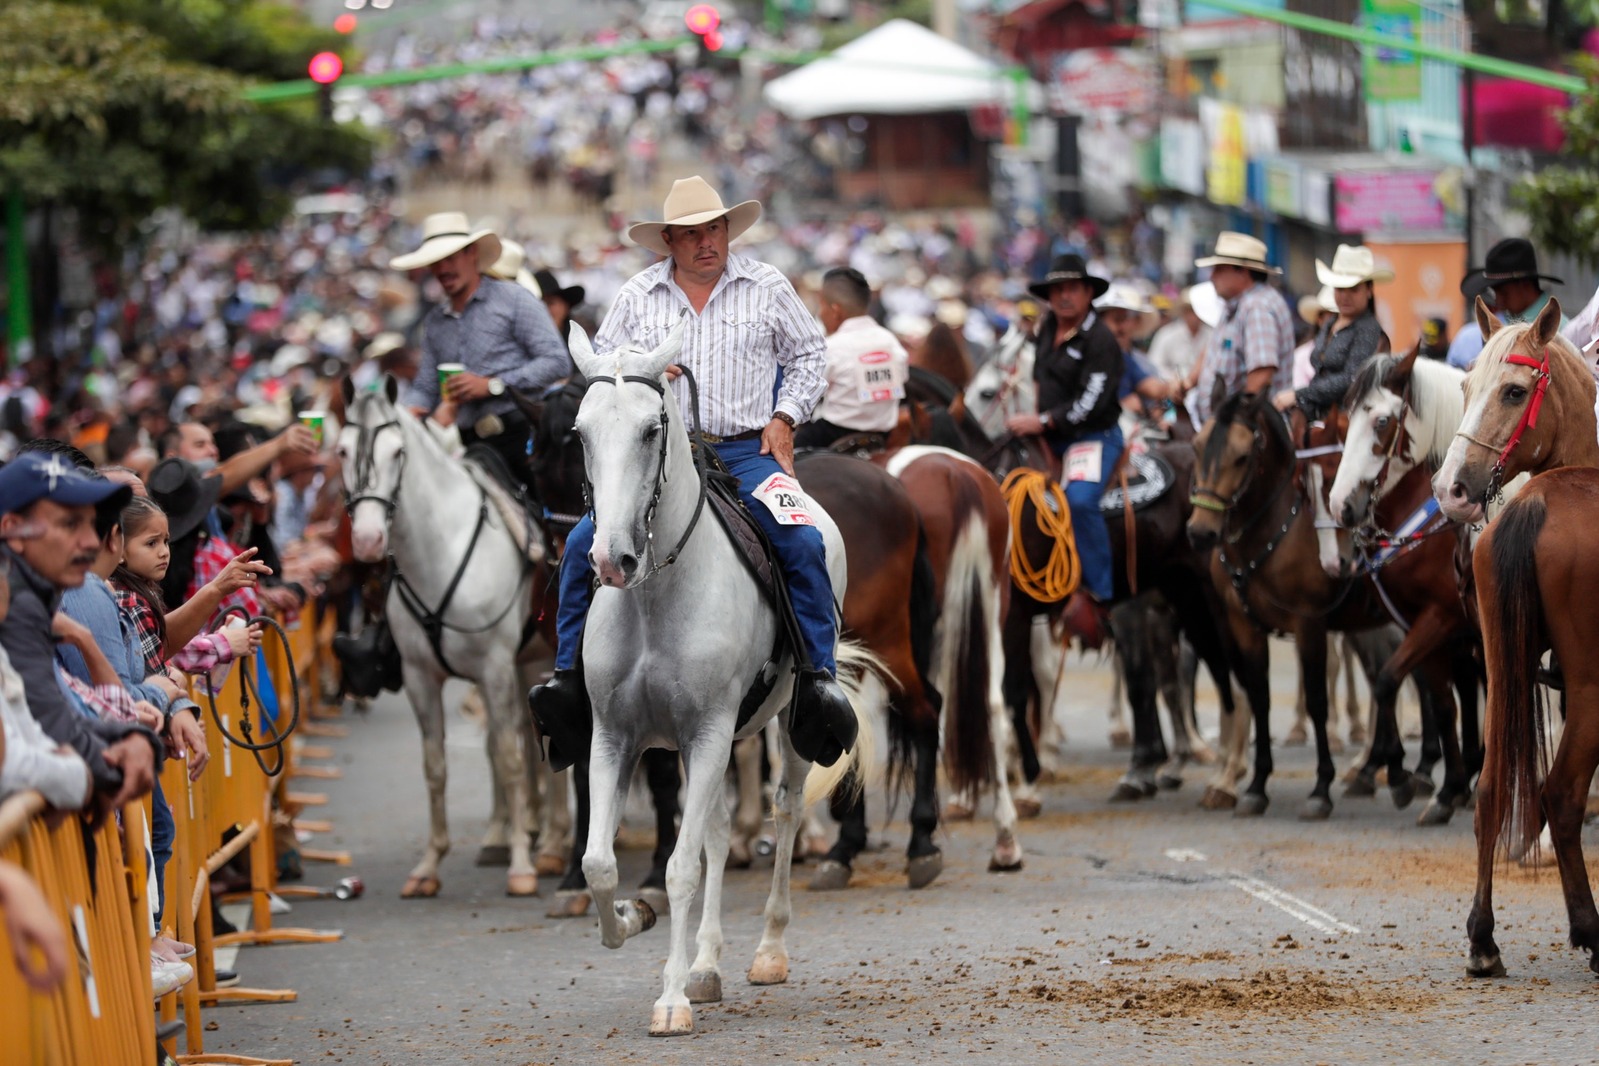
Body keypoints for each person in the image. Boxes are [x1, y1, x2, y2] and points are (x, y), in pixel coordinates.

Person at [528, 175, 856, 771]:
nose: (707, 242)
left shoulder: (767, 286)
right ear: (669, 242)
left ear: (727, 232)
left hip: (744, 451)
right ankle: (569, 682)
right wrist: (643, 373)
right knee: (581, 545)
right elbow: (606, 373)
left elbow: (809, 354)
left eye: (715, 230)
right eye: (692, 234)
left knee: (802, 540)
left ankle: (817, 680)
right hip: (658, 458)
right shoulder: (637, 295)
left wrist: (785, 417)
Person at [0, 452, 161, 826]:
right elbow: (47, 734)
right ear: (12, 529)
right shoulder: (18, 607)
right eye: (70, 525)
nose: (91, 542)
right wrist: (96, 775)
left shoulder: (34, 601)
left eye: (92, 525)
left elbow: (58, 715)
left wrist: (134, 737)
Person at [395, 212, 571, 490]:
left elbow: (557, 362)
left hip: (523, 437)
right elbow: (426, 386)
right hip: (468, 444)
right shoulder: (435, 323)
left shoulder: (514, 299)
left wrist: (493, 385)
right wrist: (408, 412)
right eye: (436, 263)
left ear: (472, 254)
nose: (443, 270)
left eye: (450, 259)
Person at [1004, 253, 1123, 632]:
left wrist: (1039, 421)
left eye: (1072, 288)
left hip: (1092, 437)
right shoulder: (1047, 326)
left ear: (1089, 292)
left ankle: (1101, 595)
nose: (1064, 296)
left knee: (1080, 501)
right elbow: (1039, 380)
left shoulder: (1102, 340)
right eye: (1057, 289)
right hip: (1049, 435)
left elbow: (1090, 403)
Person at [795, 267, 909, 449]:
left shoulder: (833, 347)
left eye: (822, 306)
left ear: (835, 310)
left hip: (831, 435)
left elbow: (807, 395)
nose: (820, 314)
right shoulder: (891, 342)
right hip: (883, 437)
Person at [1188, 232, 1295, 424]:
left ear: (1242, 271)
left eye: (1220, 269)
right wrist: (1188, 382)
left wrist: (1238, 419)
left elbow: (1261, 373)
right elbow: (1214, 350)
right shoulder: (1239, 305)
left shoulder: (1257, 308)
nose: (1212, 277)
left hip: (1247, 431)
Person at [1274, 245, 1392, 419]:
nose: (1345, 296)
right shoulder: (1331, 323)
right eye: (1340, 289)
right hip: (1318, 411)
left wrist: (1299, 394)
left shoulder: (1368, 329)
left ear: (1368, 291)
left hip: (1347, 418)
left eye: (1353, 289)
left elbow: (1351, 378)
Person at [1447, 237, 1568, 370]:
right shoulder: (1505, 323)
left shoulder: (1561, 332)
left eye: (1503, 292)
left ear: (1524, 284)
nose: (1498, 301)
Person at [1145, 288, 1212, 395]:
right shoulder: (1167, 334)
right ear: (1184, 312)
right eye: (1190, 310)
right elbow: (1155, 365)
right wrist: (1174, 379)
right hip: (1170, 391)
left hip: (1204, 390)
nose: (1194, 315)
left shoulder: (1211, 335)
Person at [533, 268, 587, 351]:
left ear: (565, 306)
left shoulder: (582, 349)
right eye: (537, 304)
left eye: (550, 303)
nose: (544, 309)